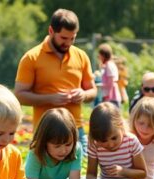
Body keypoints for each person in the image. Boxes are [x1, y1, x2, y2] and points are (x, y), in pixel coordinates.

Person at [15, 9, 97, 147]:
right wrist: (50, 98)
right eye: (64, 38)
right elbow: (19, 95)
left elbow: (93, 91)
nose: (69, 43)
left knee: (80, 168)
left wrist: (83, 94)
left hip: (76, 130)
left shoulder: (81, 56)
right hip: (45, 131)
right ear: (51, 31)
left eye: (73, 38)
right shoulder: (31, 58)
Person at [85, 102, 147, 179]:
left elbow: (142, 173)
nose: (110, 144)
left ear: (121, 126)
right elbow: (91, 173)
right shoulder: (95, 144)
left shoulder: (131, 141)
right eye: (104, 141)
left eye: (114, 138)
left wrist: (123, 171)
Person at [26, 108, 82, 179]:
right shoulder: (36, 153)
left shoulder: (76, 149)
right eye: (57, 146)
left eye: (68, 144)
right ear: (44, 141)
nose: (63, 150)